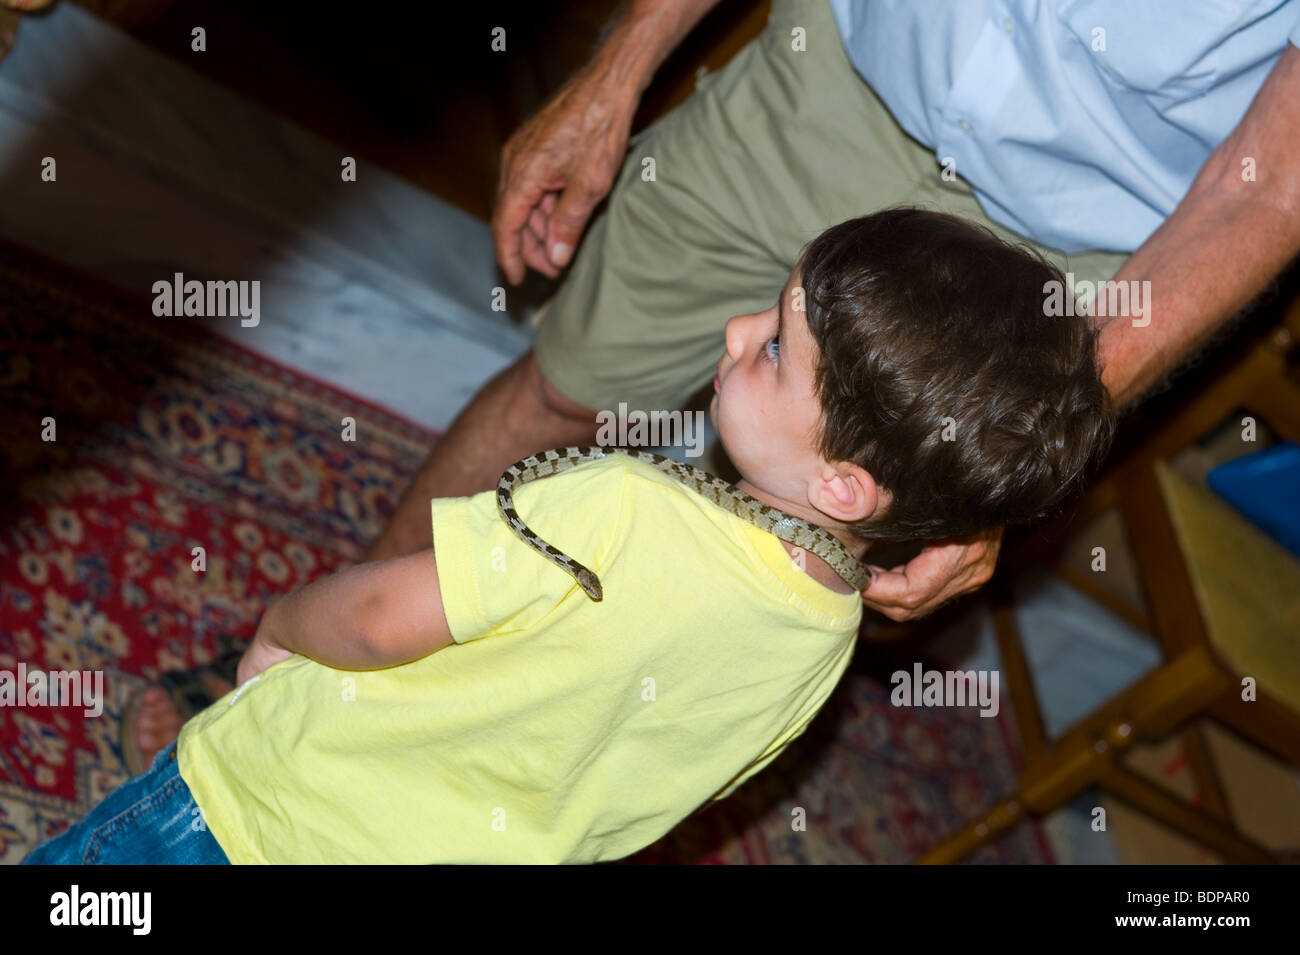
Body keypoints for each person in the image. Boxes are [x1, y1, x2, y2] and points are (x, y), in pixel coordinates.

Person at [25, 208, 1115, 863]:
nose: (737, 333)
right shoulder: (827, 637)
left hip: (251, 814)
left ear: (842, 480)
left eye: (777, 349)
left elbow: (375, 614)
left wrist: (275, 631)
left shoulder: (618, 510)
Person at [363, 0, 1300, 623]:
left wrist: (1013, 441)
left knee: (789, 583)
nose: (743, 329)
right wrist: (616, 74)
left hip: (1055, 255)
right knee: (564, 389)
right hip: (830, 84)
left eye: (765, 337)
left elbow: (1264, 197)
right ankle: (339, 653)